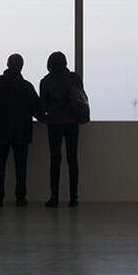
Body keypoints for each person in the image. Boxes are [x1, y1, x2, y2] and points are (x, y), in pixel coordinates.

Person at [0, 54, 43, 208]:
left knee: (0, 165)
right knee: (21, 166)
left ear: (7, 64)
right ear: (21, 66)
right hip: (21, 132)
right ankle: (20, 198)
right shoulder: (26, 86)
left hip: (0, 130)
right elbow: (37, 109)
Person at [39, 51, 88, 208]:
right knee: (72, 159)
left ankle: (54, 197)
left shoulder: (46, 81)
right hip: (72, 122)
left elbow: (43, 106)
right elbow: (81, 97)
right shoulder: (74, 78)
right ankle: (74, 197)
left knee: (55, 159)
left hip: (54, 123)